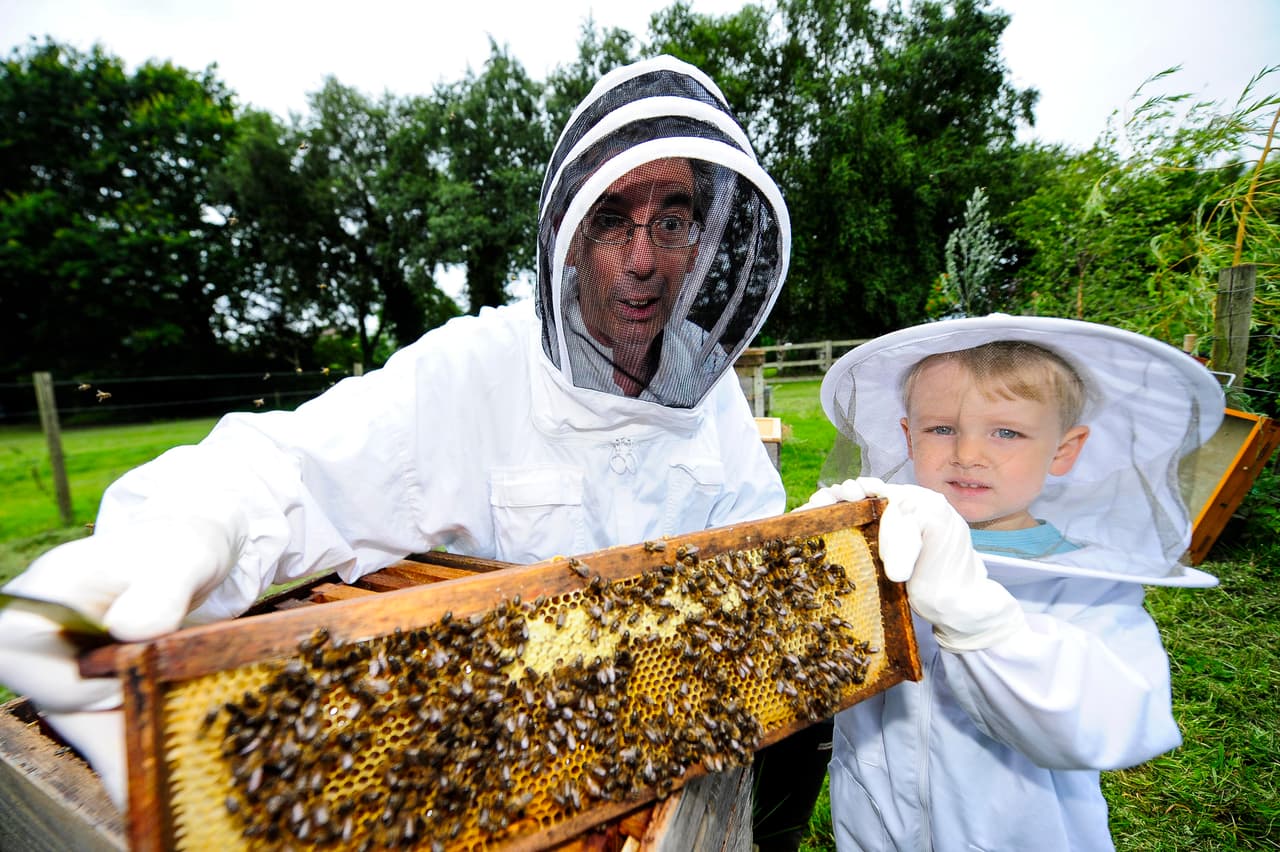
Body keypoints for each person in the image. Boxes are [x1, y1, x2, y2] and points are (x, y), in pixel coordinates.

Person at [0, 56, 795, 817]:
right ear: (566, 234)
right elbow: (291, 466)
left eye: (675, 220)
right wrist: (187, 525)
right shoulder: (469, 369)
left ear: (710, 239)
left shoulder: (716, 395)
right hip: (499, 763)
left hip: (677, 753)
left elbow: (771, 572)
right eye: (611, 219)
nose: (642, 258)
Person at [802, 314, 1224, 851]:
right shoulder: (886, 543)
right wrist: (818, 561)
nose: (968, 454)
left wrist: (977, 617)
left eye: (1006, 431)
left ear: (1064, 449)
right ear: (908, 437)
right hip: (874, 823)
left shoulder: (1088, 583)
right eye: (942, 428)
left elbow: (1114, 721)